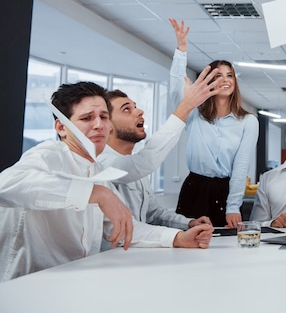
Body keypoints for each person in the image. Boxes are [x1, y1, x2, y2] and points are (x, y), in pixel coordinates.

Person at [0, 82, 215, 282]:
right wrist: (96, 193)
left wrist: (178, 237)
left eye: (103, 117)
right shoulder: (47, 155)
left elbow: (122, 227)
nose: (99, 125)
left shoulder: (96, 170)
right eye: (86, 119)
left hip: (75, 281)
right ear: (61, 127)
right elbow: (5, 186)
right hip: (27, 284)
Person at [169, 18, 259, 228]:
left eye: (230, 75)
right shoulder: (195, 115)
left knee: (223, 249)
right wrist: (181, 50)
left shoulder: (248, 121)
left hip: (226, 190)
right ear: (209, 80)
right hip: (195, 187)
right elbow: (175, 91)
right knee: (188, 247)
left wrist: (234, 206)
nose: (225, 79)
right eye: (218, 75)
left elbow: (241, 166)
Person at [103, 89, 212, 230]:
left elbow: (154, 214)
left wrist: (189, 223)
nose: (139, 111)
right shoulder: (103, 162)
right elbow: (146, 160)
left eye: (135, 106)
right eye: (126, 109)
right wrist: (186, 106)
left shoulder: (136, 167)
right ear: (107, 125)